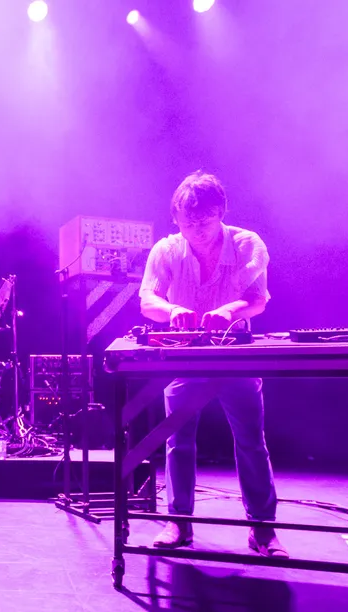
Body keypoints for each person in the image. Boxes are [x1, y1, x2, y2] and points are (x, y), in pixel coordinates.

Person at [138, 171, 287, 558]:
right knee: (177, 439)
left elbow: (257, 299)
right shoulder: (167, 250)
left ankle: (262, 528)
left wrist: (229, 311)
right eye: (187, 224)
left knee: (251, 440)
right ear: (176, 219)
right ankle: (178, 521)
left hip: (235, 352)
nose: (196, 231)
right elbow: (147, 300)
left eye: (203, 222)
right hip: (186, 353)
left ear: (221, 211)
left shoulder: (247, 244)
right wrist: (172, 311)